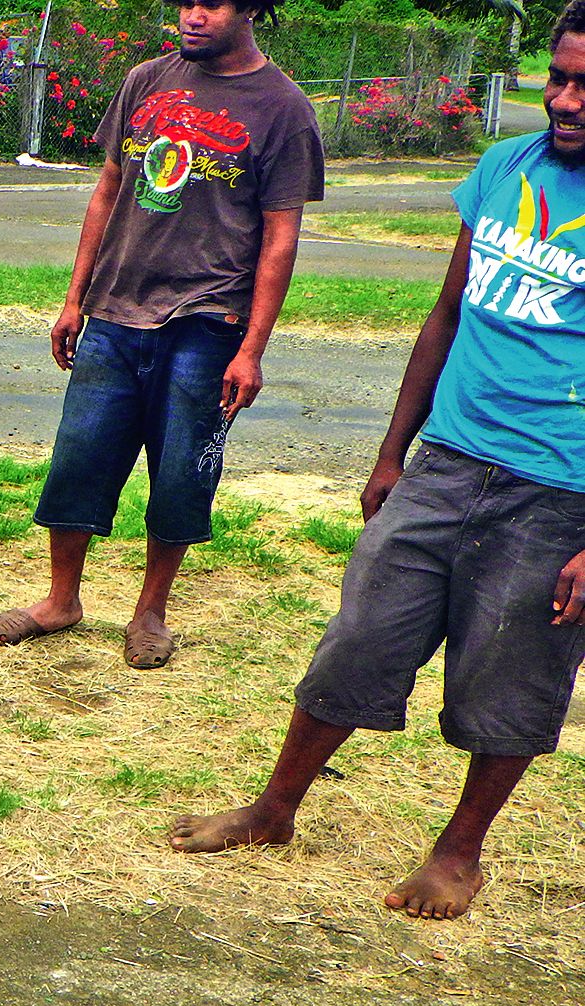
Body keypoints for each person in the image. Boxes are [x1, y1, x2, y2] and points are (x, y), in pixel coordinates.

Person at [169, 6, 585, 919]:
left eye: (582, 85)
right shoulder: (502, 170)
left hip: (560, 491)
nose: (560, 99)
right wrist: (394, 452)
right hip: (445, 460)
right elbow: (444, 317)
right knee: (358, 637)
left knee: (510, 676)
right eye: (556, 77)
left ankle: (458, 851)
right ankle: (275, 808)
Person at [0, 0, 323, 669]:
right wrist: (72, 299)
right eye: (185, 2)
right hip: (114, 311)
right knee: (79, 458)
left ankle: (150, 612)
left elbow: (280, 237)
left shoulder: (283, 108)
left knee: (179, 473)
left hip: (208, 319)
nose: (192, 15)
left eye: (212, 3)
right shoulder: (145, 80)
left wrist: (251, 347)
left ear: (252, 8)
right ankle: (61, 600)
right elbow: (106, 190)